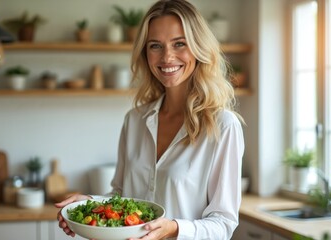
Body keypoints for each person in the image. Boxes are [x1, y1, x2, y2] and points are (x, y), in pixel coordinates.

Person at [56, 0, 245, 239]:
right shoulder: (134, 120)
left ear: (199, 48)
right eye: (155, 45)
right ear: (145, 53)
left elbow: (223, 223)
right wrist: (90, 204)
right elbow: (122, 195)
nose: (167, 56)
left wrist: (174, 228)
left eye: (179, 43)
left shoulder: (223, 126)